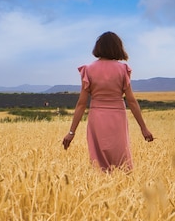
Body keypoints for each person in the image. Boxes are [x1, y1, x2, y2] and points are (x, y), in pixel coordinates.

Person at [62, 31, 154, 171]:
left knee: (99, 164)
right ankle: (124, 187)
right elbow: (132, 101)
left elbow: (81, 104)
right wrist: (143, 128)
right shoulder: (123, 69)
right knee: (121, 159)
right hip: (118, 118)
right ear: (118, 47)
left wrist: (71, 132)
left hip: (96, 118)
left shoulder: (88, 70)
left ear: (98, 47)